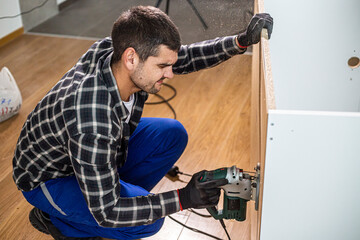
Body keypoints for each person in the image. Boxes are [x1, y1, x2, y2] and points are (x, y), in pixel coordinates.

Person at [12, 5, 273, 240]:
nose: (171, 73)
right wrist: (183, 198)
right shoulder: (92, 121)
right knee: (145, 223)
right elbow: (108, 212)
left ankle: (111, 190)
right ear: (131, 58)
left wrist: (240, 42)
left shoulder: (114, 52)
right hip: (50, 179)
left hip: (88, 155)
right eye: (162, 67)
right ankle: (59, 220)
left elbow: (184, 58)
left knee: (172, 134)